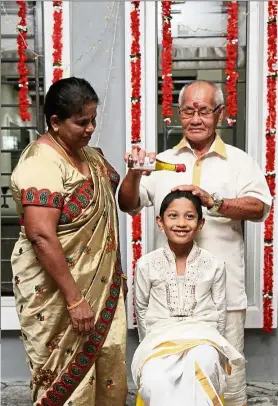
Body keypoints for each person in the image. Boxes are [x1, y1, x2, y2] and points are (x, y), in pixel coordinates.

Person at [119, 80, 272, 406]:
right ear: (178, 114)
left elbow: (260, 208)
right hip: (167, 309)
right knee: (166, 386)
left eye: (204, 110)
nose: (195, 118)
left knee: (227, 387)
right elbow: (129, 204)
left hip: (224, 298)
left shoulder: (239, 161)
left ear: (220, 113)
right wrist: (133, 172)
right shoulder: (161, 161)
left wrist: (215, 202)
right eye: (188, 110)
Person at [11, 77, 127, 406]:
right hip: (57, 294)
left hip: (101, 287)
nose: (90, 128)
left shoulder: (91, 157)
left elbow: (124, 203)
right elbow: (41, 235)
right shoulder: (41, 162)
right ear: (56, 123)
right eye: (81, 122)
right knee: (61, 379)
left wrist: (136, 173)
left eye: (93, 119)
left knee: (106, 368)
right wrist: (76, 300)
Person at [132, 190, 244, 406]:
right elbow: (141, 309)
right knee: (154, 377)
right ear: (160, 222)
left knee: (202, 363)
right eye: (173, 216)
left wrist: (214, 345)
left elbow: (220, 312)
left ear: (201, 224)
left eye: (189, 216)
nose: (181, 223)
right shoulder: (146, 264)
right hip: (159, 338)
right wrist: (149, 343)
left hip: (203, 337)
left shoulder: (214, 264)